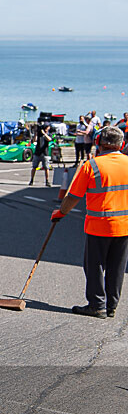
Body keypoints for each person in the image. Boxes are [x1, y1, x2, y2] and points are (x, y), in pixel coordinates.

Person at [51, 126, 128, 318]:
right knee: (117, 267)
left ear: (98, 142)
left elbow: (73, 196)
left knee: (95, 266)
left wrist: (60, 213)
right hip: (125, 226)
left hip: (99, 226)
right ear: (122, 144)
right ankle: (111, 306)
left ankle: (97, 305)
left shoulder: (91, 166)